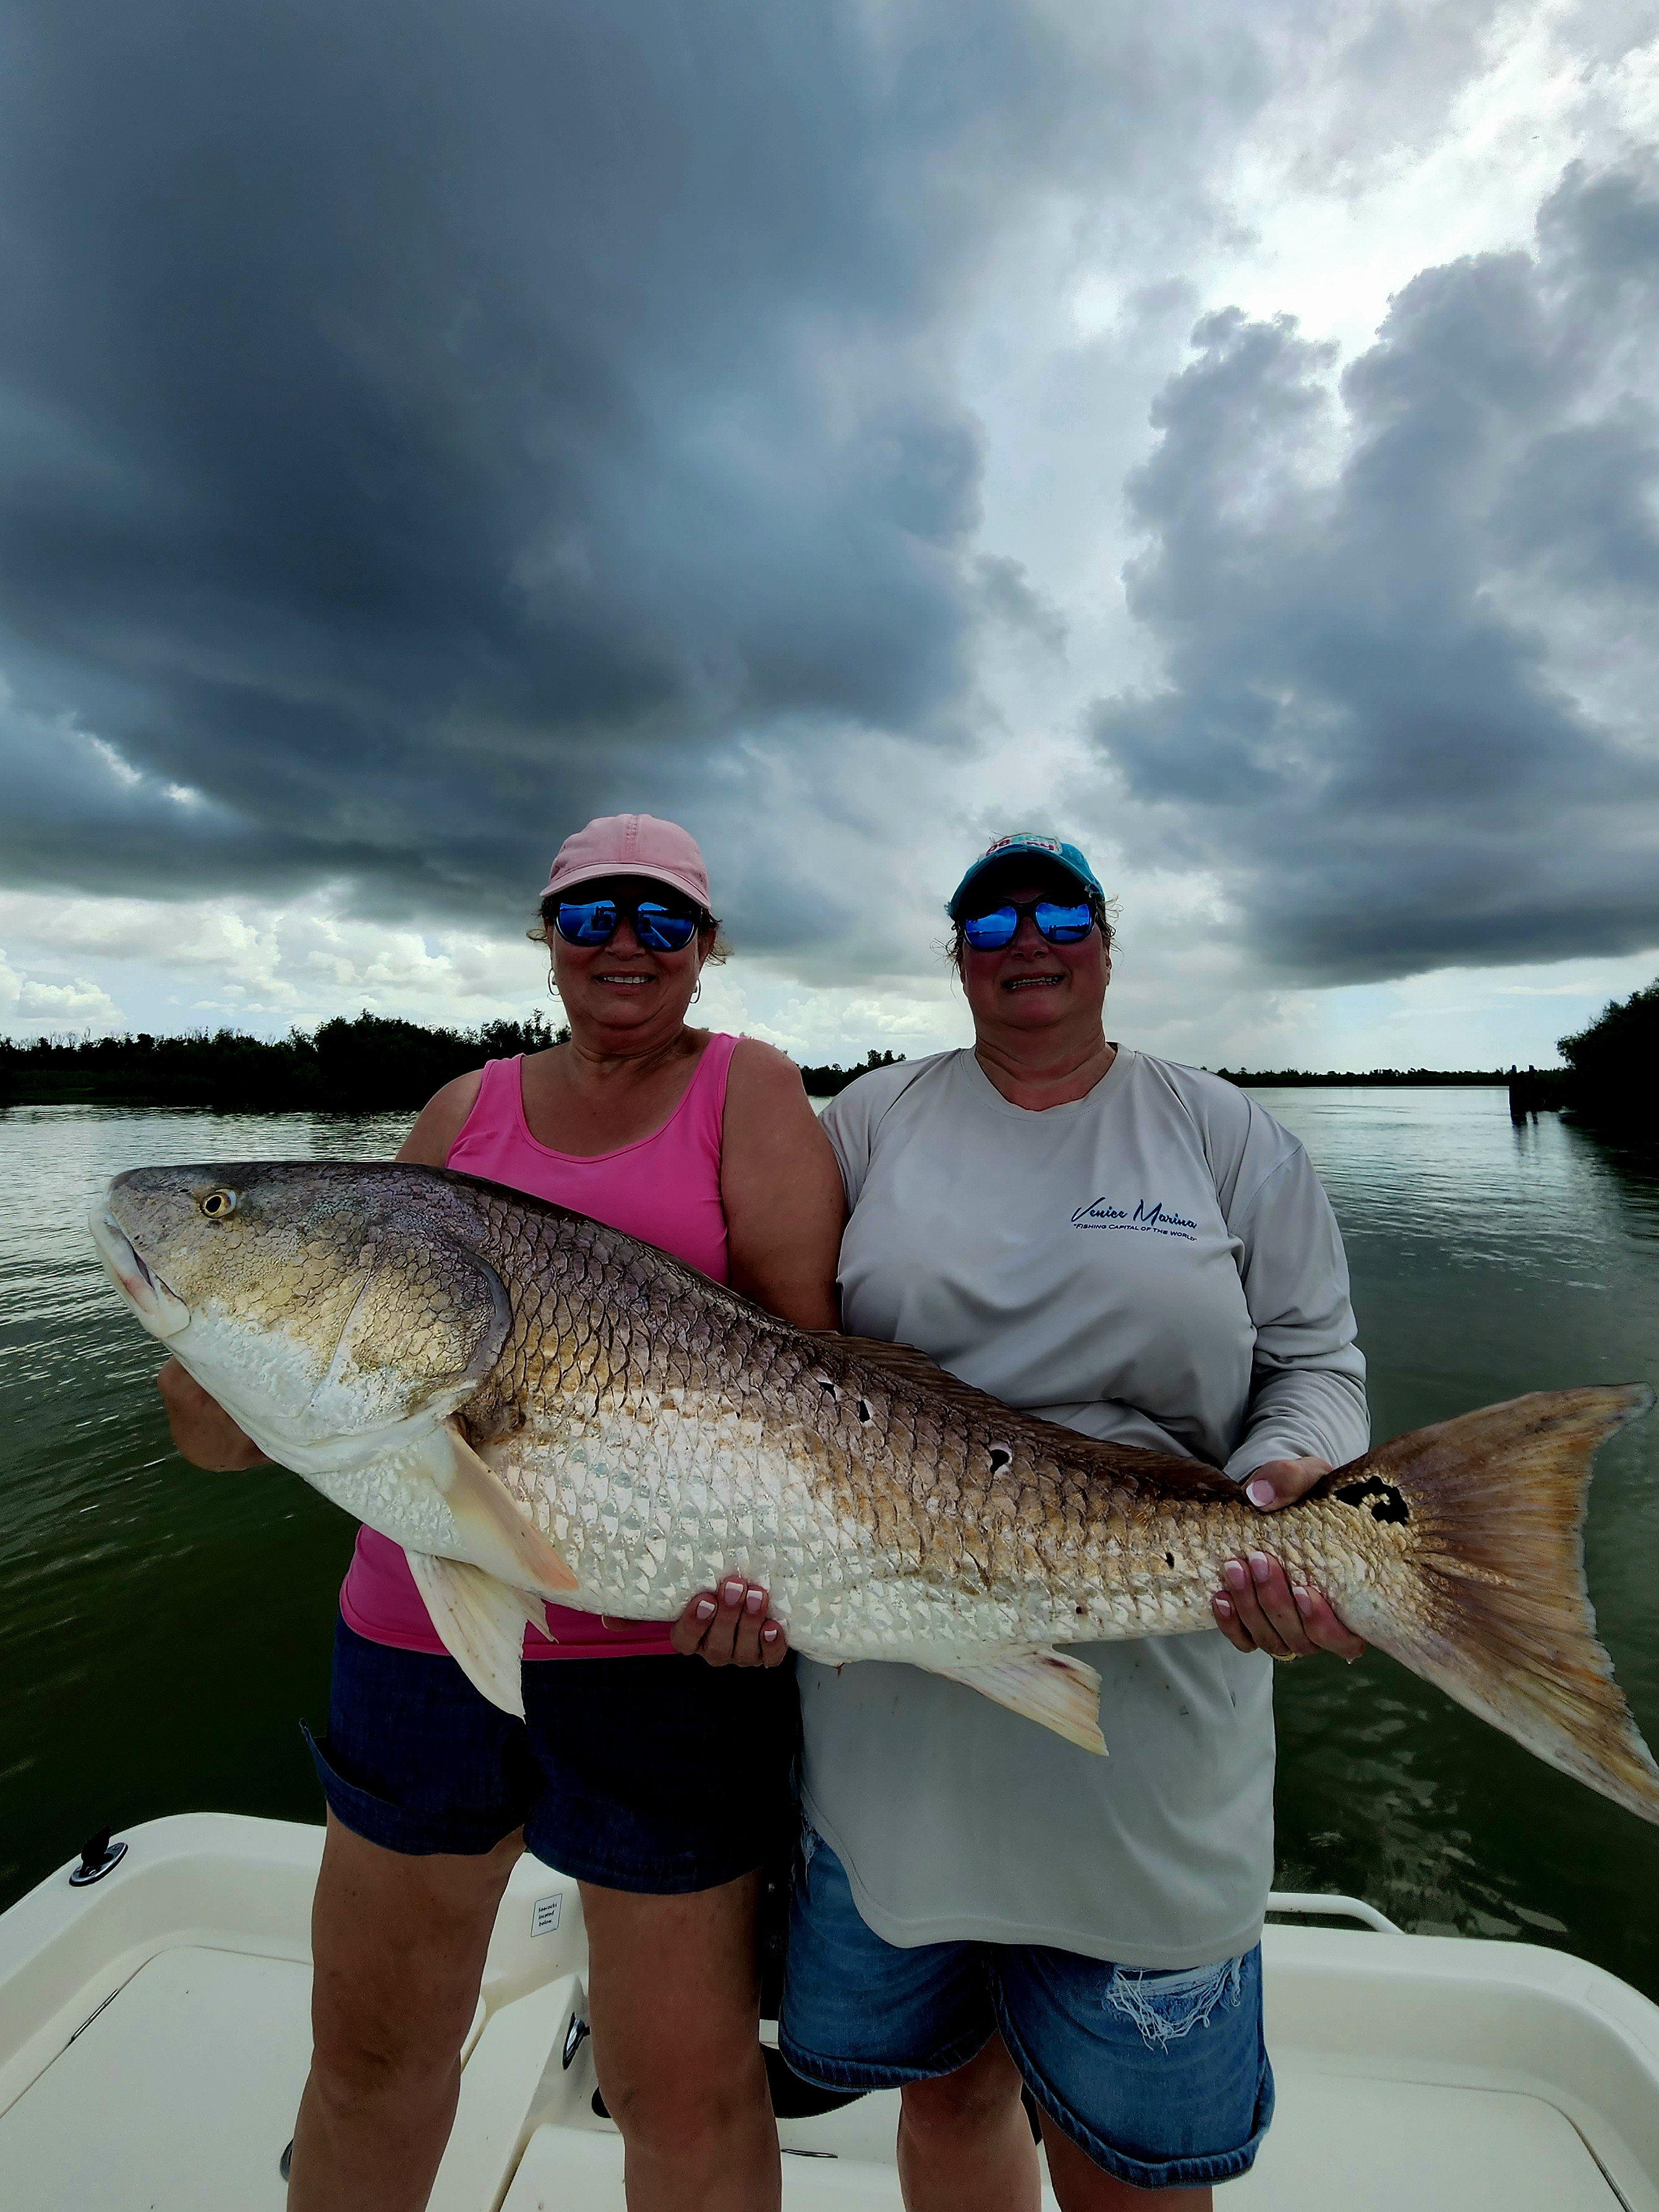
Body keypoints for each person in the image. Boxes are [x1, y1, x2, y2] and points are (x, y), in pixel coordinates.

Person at [157, 812, 846, 2212]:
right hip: (416, 1645)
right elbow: (225, 1446)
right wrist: (220, 1332)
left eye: (662, 918)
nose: (625, 944)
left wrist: (790, 1588)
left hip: (663, 1658)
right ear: (546, 938)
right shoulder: (461, 1114)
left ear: (706, 951)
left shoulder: (751, 1092)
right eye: (591, 914)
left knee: (682, 2084)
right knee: (370, 2049)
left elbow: (815, 1393)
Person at [778, 831, 1368, 2212]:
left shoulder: (1224, 1132)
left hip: (1154, 1716)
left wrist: (1287, 1482)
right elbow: (771, 1365)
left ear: (1108, 939)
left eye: (1059, 911)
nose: (1026, 939)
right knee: (947, 2103)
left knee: (1138, 2171)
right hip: (893, 1730)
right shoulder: (864, 1121)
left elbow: (1319, 1364)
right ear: (955, 957)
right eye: (989, 921)